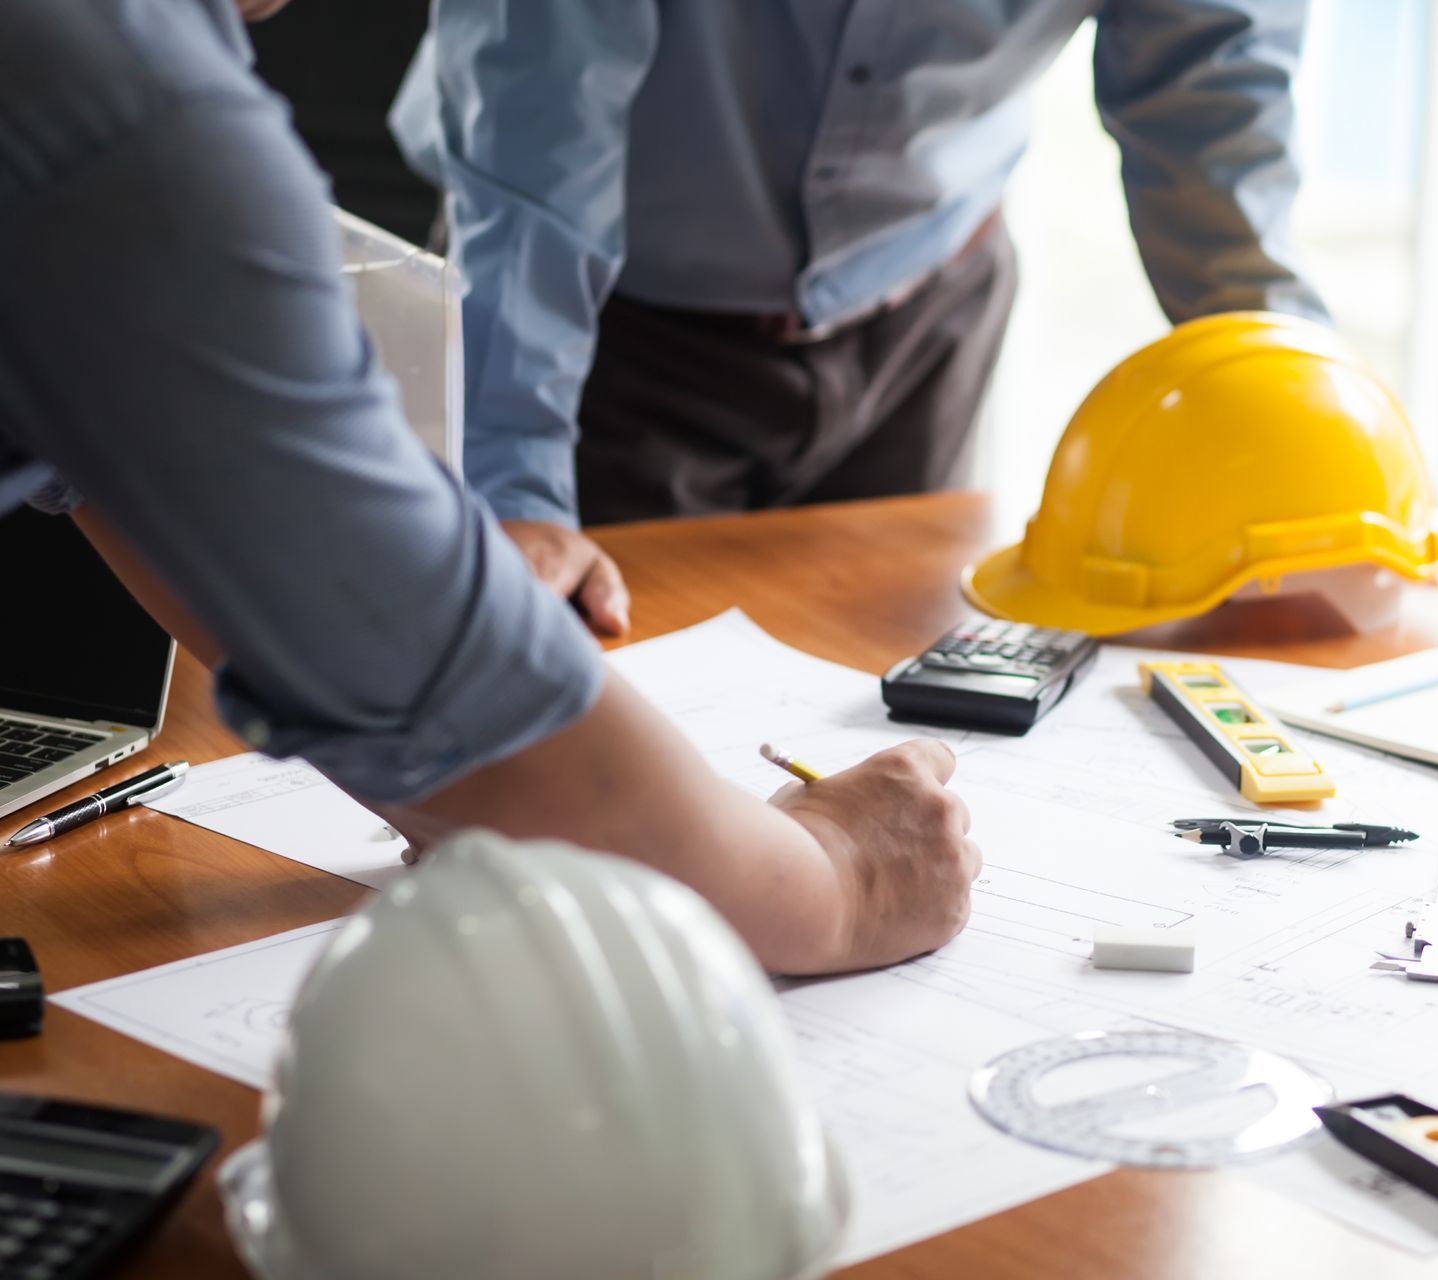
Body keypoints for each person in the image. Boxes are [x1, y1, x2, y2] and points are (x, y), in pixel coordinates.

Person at [0, 0, 978, 977]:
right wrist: (835, 881)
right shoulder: (105, 89)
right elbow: (391, 627)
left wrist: (479, 790)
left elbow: (226, 531)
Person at [392, 0, 1328, 636]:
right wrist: (512, 479)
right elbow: (541, 95)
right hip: (589, 328)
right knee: (582, 736)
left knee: (896, 725)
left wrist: (1307, 451)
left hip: (925, 308)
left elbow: (1213, 79)